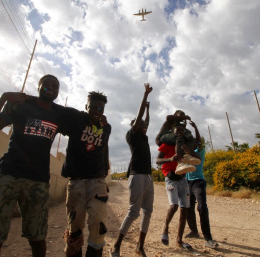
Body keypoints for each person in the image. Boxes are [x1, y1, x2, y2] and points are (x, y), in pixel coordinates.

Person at [0, 75, 67, 257]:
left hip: (38, 181)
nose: (50, 87)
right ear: (38, 86)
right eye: (46, 84)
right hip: (8, 174)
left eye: (55, 85)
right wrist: (4, 97)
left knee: (37, 237)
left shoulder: (59, 114)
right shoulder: (22, 104)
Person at [61, 92, 111, 257]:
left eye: (100, 108)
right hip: (76, 183)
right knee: (74, 229)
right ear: (86, 107)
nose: (97, 111)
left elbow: (104, 147)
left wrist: (105, 171)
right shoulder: (77, 120)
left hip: (97, 181)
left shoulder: (106, 127)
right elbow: (58, 110)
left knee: (99, 226)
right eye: (93, 107)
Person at [110, 83, 154, 257]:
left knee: (148, 211)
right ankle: (116, 245)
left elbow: (146, 120)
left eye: (144, 123)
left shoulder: (143, 136)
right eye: (140, 123)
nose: (144, 124)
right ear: (134, 126)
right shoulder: (132, 135)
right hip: (137, 176)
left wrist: (149, 110)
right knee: (134, 212)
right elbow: (140, 116)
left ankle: (140, 246)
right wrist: (145, 96)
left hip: (149, 177)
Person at [156, 123, 193, 251]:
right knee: (174, 206)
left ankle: (179, 240)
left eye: (182, 130)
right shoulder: (166, 145)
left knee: (184, 209)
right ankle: (165, 229)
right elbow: (157, 161)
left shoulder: (184, 146)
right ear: (173, 131)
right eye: (177, 130)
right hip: (171, 178)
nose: (179, 132)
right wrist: (170, 159)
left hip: (183, 179)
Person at [185, 122, 219, 249]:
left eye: (194, 143)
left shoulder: (199, 152)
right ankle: (194, 231)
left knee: (201, 207)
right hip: (188, 183)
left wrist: (195, 128)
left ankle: (208, 238)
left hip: (198, 181)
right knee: (188, 208)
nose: (193, 144)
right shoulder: (187, 153)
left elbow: (199, 142)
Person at [155, 110, 200, 175]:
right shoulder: (171, 121)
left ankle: (187, 155)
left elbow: (197, 141)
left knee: (188, 137)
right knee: (179, 136)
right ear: (176, 116)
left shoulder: (181, 125)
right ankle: (180, 162)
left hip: (174, 139)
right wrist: (184, 117)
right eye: (181, 117)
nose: (182, 120)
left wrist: (195, 128)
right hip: (161, 139)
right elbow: (168, 117)